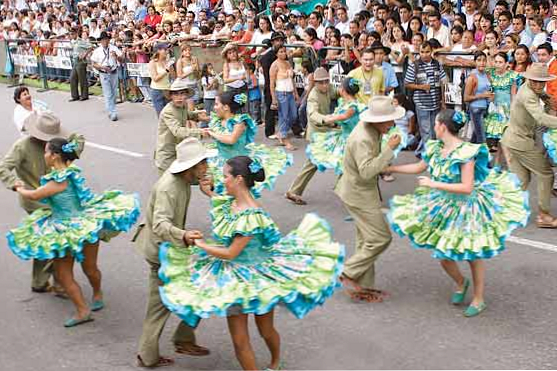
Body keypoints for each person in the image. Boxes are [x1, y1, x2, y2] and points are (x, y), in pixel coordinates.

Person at [158, 155, 344, 370]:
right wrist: (209, 191)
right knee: (239, 340)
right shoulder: (231, 202)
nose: (222, 180)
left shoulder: (251, 215)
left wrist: (199, 244)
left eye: (225, 176)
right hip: (233, 280)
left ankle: (275, 364)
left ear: (238, 179)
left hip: (258, 280)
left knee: (266, 331)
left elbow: (230, 252)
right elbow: (219, 200)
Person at [387, 109, 530, 317]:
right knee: (444, 255)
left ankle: (479, 298)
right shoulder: (436, 148)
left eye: (436, 124)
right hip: (444, 205)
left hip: (466, 207)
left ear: (443, 127)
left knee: (472, 254)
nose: (434, 127)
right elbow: (419, 167)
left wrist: (433, 183)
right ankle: (461, 283)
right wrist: (392, 169)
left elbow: (467, 187)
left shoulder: (466, 153)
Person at [6, 136, 140, 326]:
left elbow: (34, 195)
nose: (44, 155)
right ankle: (97, 294)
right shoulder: (72, 173)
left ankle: (83, 311)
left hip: (65, 232)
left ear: (54, 156)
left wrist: (18, 187)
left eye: (46, 151)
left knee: (63, 274)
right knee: (90, 268)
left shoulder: (55, 182)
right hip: (86, 225)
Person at [134, 138, 213, 368]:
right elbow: (160, 224)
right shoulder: (170, 187)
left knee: (199, 289)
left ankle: (182, 339)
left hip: (169, 248)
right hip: (161, 251)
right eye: (203, 164)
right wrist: (184, 235)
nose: (206, 167)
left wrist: (210, 187)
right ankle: (149, 354)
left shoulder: (184, 178)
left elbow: (198, 182)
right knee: (161, 304)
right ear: (191, 166)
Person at [0, 113, 84, 295]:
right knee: (52, 240)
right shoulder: (22, 146)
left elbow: (78, 141)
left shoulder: (57, 145)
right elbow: (3, 167)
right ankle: (57, 281)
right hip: (36, 200)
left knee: (50, 240)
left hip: (56, 199)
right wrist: (15, 183)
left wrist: (73, 146)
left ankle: (43, 281)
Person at [335, 96, 404, 303]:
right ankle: (348, 273)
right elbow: (366, 171)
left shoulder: (372, 130)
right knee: (381, 238)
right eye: (390, 120)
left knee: (366, 239)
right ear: (377, 120)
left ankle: (362, 286)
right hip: (358, 193)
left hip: (360, 191)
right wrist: (389, 149)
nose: (393, 124)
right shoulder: (363, 137)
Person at [205, 90, 292, 195]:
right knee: (223, 192)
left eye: (216, 104)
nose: (214, 107)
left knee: (238, 192)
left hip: (237, 164)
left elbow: (231, 140)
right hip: (221, 163)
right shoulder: (218, 120)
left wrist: (212, 133)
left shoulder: (239, 122)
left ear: (226, 107)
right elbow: (203, 118)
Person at [501, 63, 557, 228]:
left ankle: (508, 212)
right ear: (529, 79)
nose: (538, 84)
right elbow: (541, 118)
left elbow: (542, 101)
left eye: (542, 81)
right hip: (520, 142)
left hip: (511, 140)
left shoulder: (531, 89)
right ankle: (544, 215)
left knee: (522, 180)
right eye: (535, 81)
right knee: (546, 174)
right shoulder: (528, 95)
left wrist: (546, 99)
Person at [285, 68, 337, 205]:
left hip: (327, 131)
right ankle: (294, 191)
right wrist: (329, 119)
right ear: (316, 83)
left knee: (318, 162)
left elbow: (339, 92)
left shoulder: (329, 88)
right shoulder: (313, 96)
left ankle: (294, 190)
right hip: (318, 134)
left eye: (327, 82)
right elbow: (313, 115)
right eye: (321, 83)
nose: (325, 85)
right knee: (314, 162)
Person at [306, 77, 366, 175]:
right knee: (345, 167)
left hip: (350, 140)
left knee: (349, 167)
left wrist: (329, 118)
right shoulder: (346, 102)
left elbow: (344, 116)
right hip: (345, 137)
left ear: (342, 90)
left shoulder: (352, 106)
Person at [154, 79, 209, 176]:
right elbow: (178, 131)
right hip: (167, 153)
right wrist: (200, 132)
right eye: (175, 94)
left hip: (179, 150)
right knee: (168, 185)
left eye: (182, 94)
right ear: (171, 96)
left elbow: (187, 115)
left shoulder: (183, 106)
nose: (179, 97)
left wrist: (201, 117)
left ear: (186, 95)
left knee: (183, 180)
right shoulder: (168, 111)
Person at [405, 40, 447, 155]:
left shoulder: (437, 64)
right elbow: (407, 83)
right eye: (422, 52)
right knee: (426, 130)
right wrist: (421, 87)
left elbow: (443, 82)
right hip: (422, 103)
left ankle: (426, 152)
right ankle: (429, 154)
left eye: (427, 52)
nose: (424, 54)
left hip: (435, 102)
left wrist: (443, 100)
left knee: (434, 130)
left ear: (432, 51)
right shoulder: (414, 65)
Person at [484, 52, 518, 162]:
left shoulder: (512, 75)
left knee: (505, 138)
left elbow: (513, 94)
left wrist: (513, 111)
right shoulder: (491, 74)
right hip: (494, 109)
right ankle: (497, 163)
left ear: (506, 63)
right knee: (497, 138)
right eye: (496, 62)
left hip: (507, 110)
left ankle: (510, 165)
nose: (498, 64)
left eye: (500, 62)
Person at [270, 45, 299, 150]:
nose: (283, 53)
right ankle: (284, 137)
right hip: (281, 93)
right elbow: (272, 83)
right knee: (284, 115)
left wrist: (295, 93)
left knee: (294, 115)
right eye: (280, 52)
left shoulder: (287, 63)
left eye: (284, 51)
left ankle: (282, 132)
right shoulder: (274, 65)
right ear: (276, 54)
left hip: (290, 92)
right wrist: (274, 99)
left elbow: (292, 80)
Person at [90, 31, 123, 121]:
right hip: (103, 73)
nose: (105, 41)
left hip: (113, 72)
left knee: (114, 92)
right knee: (108, 93)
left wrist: (116, 56)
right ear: (100, 41)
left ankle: (111, 109)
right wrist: (102, 67)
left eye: (106, 40)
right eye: (103, 40)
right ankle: (112, 112)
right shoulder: (97, 51)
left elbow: (122, 58)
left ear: (108, 40)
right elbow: (93, 63)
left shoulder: (114, 48)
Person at [259, 31, 286, 139]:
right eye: (277, 40)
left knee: (287, 108)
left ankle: (294, 129)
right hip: (271, 85)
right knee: (270, 109)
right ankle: (269, 132)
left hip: (283, 85)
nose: (279, 42)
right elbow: (268, 75)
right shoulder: (267, 57)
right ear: (272, 42)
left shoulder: (284, 55)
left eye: (281, 40)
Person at [464, 51, 493, 144]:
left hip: (485, 108)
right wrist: (482, 95)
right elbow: (466, 97)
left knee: (475, 137)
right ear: (475, 62)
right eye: (479, 60)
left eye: (484, 60)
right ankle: (483, 157)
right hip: (475, 109)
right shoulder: (472, 77)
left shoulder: (487, 75)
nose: (482, 63)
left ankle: (468, 155)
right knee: (481, 138)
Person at [69, 27, 93, 102]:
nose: (71, 35)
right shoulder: (73, 42)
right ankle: (75, 95)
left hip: (81, 61)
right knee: (72, 78)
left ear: (76, 34)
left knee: (82, 79)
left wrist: (85, 54)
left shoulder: (81, 41)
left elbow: (91, 46)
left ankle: (84, 95)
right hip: (75, 61)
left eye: (72, 34)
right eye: (70, 34)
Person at [149, 44, 173, 117]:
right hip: (157, 91)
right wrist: (166, 70)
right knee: (161, 116)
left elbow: (173, 76)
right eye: (165, 50)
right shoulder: (153, 62)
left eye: (167, 50)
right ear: (158, 51)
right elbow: (155, 78)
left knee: (170, 115)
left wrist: (171, 68)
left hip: (167, 90)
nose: (167, 51)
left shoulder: (168, 62)